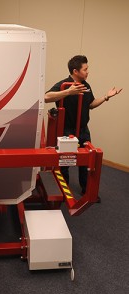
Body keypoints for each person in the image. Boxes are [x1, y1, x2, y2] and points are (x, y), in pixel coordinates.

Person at [44, 55, 122, 194]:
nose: (88, 72)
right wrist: (68, 91)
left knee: (87, 161)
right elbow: (46, 97)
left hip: (83, 130)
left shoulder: (86, 85)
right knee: (65, 161)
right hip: (67, 130)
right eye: (85, 69)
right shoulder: (64, 84)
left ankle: (86, 190)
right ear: (75, 71)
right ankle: (63, 191)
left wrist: (106, 97)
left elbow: (91, 104)